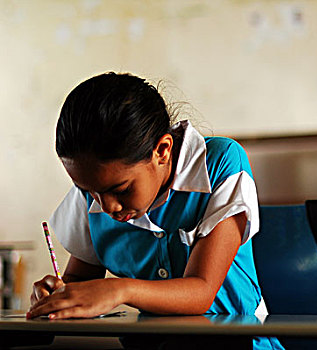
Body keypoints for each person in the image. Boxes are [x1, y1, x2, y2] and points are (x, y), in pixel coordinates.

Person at [28, 72, 283, 350]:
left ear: (162, 150)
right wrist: (58, 294)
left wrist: (119, 290)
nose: (107, 206)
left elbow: (202, 290)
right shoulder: (95, 191)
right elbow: (81, 280)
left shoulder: (219, 164)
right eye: (88, 191)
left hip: (238, 345)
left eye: (122, 189)